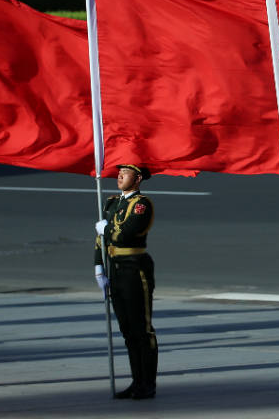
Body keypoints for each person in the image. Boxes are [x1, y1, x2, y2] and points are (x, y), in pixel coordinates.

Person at [94, 164, 158, 400]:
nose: (120, 175)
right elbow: (100, 239)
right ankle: (136, 380)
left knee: (142, 328)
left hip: (134, 267)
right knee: (127, 330)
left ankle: (147, 383)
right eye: (119, 171)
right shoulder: (112, 202)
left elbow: (127, 233)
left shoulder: (142, 204)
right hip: (115, 269)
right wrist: (98, 266)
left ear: (138, 178)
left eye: (126, 172)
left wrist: (107, 228)